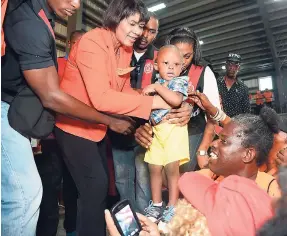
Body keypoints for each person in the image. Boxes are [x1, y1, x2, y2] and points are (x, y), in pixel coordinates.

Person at [1, 0, 136, 235]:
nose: (75, 4)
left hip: (23, 114)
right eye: (132, 23)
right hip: (21, 112)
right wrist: (110, 120)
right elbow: (53, 96)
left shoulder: (41, 16)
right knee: (25, 196)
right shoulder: (28, 20)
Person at [54, 0, 173, 235]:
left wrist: (143, 93)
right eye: (132, 24)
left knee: (94, 191)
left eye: (141, 26)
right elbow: (101, 98)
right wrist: (152, 103)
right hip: (73, 127)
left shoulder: (124, 48)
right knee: (95, 187)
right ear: (115, 18)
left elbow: (122, 88)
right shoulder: (92, 43)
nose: (138, 32)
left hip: (95, 128)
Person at [135, 27, 221, 173]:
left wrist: (202, 149)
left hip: (191, 131)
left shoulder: (204, 72)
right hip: (159, 131)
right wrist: (143, 126)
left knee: (178, 174)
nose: (180, 61)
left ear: (194, 54)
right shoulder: (155, 68)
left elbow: (214, 116)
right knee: (145, 167)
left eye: (186, 56)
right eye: (177, 55)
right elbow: (142, 101)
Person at [108, 12, 159, 213]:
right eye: (143, 28)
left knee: (145, 183)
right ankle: (129, 226)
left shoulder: (159, 58)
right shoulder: (119, 52)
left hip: (147, 133)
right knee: (122, 181)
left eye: (152, 31)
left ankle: (146, 226)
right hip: (119, 129)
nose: (145, 35)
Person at [142, 45, 189, 224]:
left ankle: (172, 205)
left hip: (173, 131)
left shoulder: (179, 82)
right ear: (156, 65)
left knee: (171, 169)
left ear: (182, 67)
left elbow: (176, 100)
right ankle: (156, 204)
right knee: (153, 167)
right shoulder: (158, 84)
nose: (171, 68)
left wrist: (155, 87)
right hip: (157, 132)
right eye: (166, 63)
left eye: (176, 64)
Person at [217, 53, 251, 117]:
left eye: (235, 65)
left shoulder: (243, 88)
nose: (232, 68)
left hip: (236, 125)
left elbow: (247, 112)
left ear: (238, 68)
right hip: (218, 124)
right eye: (230, 64)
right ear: (226, 65)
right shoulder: (216, 83)